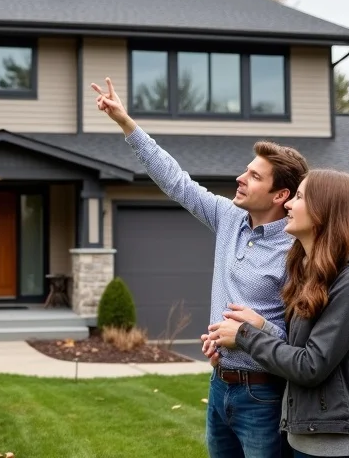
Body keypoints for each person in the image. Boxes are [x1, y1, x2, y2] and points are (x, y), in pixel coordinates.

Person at [91, 77, 308, 458]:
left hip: (265, 394)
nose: (240, 179)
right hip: (219, 383)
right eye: (246, 170)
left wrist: (247, 331)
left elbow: (301, 344)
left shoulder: (296, 250)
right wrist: (127, 123)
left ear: (281, 195)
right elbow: (178, 182)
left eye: (254, 176)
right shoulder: (229, 218)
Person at [206, 168, 349, 458]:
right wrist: (262, 326)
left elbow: (310, 366)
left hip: (344, 449)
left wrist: (245, 336)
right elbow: (300, 350)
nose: (289, 204)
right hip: (307, 443)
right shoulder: (315, 275)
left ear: (324, 211)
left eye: (299, 197)